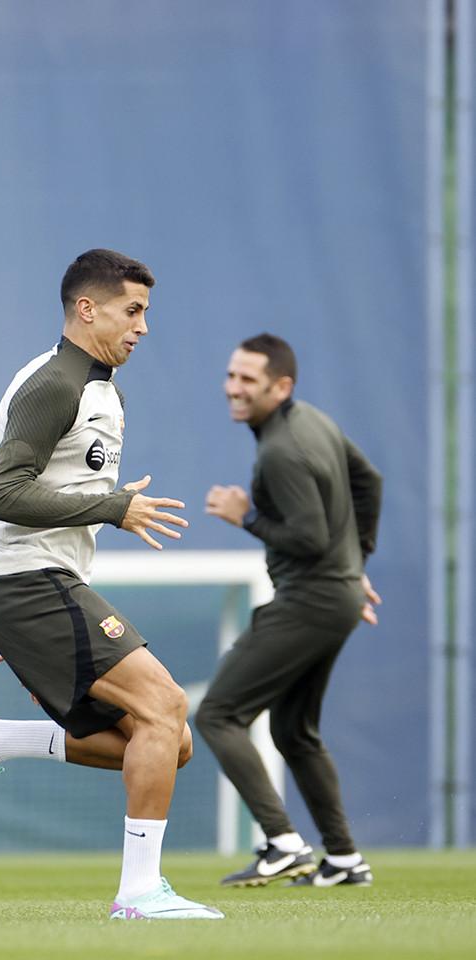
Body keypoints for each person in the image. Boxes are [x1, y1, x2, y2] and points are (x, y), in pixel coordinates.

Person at [0, 249, 221, 920]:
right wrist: (111, 506)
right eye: (133, 310)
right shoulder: (52, 384)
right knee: (166, 706)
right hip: (24, 581)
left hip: (44, 586)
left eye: (145, 312)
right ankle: (139, 894)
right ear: (86, 309)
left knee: (169, 744)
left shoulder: (105, 390)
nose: (143, 327)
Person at [197, 333, 381, 888]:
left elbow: (307, 537)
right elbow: (368, 482)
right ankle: (344, 859)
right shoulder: (314, 422)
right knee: (294, 731)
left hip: (311, 598)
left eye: (247, 380)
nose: (234, 388)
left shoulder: (281, 449)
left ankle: (281, 842)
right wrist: (358, 565)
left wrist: (242, 517)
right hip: (335, 595)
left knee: (217, 714)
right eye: (232, 375)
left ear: (282, 387)